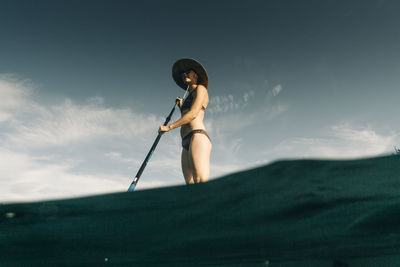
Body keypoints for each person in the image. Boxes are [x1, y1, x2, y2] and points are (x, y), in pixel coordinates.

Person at [159, 58, 212, 184]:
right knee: (190, 186)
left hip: (197, 135)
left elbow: (193, 114)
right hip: (185, 141)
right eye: (183, 73)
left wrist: (169, 127)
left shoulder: (201, 89)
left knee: (200, 182)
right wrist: (181, 107)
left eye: (188, 71)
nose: (184, 74)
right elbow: (187, 113)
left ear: (196, 75)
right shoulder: (188, 96)